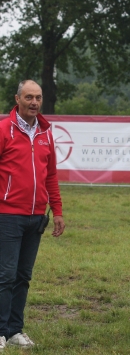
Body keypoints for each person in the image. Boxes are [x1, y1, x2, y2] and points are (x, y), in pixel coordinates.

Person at [0, 80, 65, 351]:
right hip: (7, 215)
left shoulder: (46, 133)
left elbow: (51, 175)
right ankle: (0, 331)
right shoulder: (4, 129)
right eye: (28, 97)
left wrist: (57, 210)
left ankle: (15, 330)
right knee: (5, 275)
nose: (34, 102)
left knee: (23, 276)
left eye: (38, 97)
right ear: (17, 99)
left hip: (37, 216)